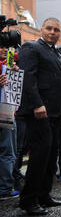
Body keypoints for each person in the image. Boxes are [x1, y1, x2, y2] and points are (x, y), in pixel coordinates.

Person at [17, 17, 61, 215]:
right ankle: (28, 200)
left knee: (50, 156)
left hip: (56, 113)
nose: (52, 32)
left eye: (56, 29)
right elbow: (27, 78)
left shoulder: (59, 55)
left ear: (60, 33)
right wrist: (37, 104)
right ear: (41, 29)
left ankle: (44, 195)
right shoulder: (31, 48)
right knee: (39, 155)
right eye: (49, 28)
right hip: (38, 112)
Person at [0, 46, 20, 200]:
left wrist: (13, 72)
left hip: (9, 113)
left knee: (10, 151)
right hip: (4, 114)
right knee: (7, 152)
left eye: (6, 47)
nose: (4, 49)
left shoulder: (8, 65)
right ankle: (5, 188)